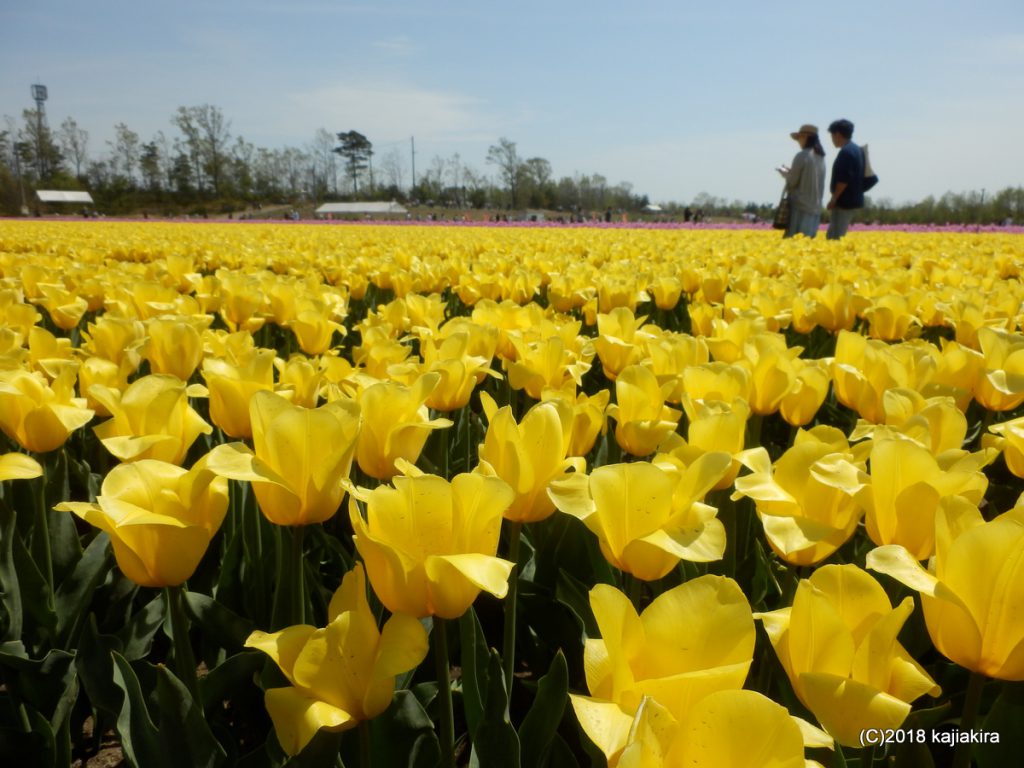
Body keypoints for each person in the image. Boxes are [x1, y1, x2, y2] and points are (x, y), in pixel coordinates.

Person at [777, 123, 826, 238]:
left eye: (799, 138)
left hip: (799, 207)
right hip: (815, 208)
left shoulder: (802, 155)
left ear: (805, 137)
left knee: (793, 242)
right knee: (808, 245)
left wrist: (785, 174)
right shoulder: (821, 158)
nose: (798, 141)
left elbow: (792, 182)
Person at [825, 119, 865, 240]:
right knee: (836, 235)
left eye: (832, 136)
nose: (831, 139)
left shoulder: (846, 152)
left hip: (844, 202)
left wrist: (834, 198)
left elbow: (843, 179)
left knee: (835, 237)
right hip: (852, 200)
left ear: (837, 134)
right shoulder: (857, 150)